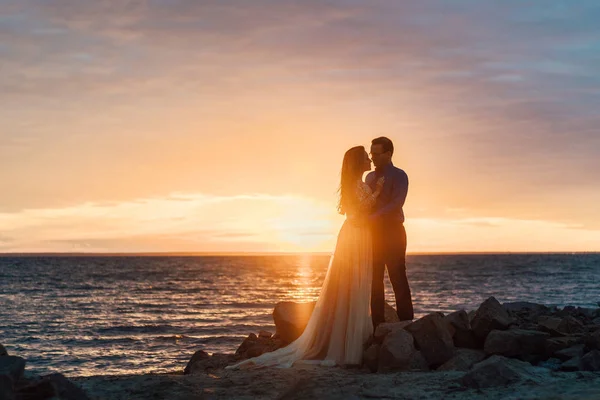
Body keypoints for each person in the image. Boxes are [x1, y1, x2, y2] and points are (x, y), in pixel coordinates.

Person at [226, 146, 384, 369]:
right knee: (351, 282)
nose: (369, 159)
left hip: (358, 234)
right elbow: (364, 208)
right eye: (366, 157)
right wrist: (377, 191)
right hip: (356, 234)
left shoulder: (356, 184)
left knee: (353, 283)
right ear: (358, 162)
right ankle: (347, 344)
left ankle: (352, 336)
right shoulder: (358, 184)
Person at [366, 136, 414, 327]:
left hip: (393, 231)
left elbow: (397, 203)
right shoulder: (369, 178)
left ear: (388, 153)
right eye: (371, 153)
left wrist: (373, 217)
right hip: (373, 234)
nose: (373, 157)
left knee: (398, 277)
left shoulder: (400, 175)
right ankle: (378, 324)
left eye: (377, 154)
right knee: (374, 279)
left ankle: (407, 323)